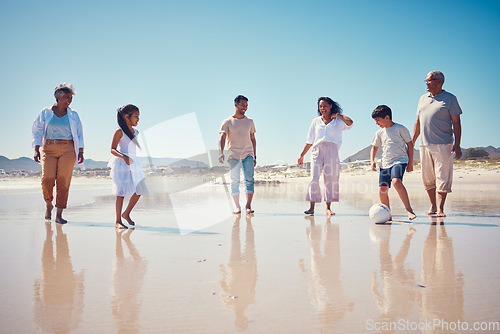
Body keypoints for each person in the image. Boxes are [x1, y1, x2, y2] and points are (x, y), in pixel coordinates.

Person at [32, 83, 84, 224]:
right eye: (67, 97)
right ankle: (49, 204)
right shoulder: (46, 112)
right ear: (58, 97)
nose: (69, 100)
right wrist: (36, 148)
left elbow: (79, 134)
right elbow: (37, 130)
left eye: (71, 98)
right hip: (49, 148)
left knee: (63, 181)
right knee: (46, 180)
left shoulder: (73, 115)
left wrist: (81, 151)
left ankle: (59, 214)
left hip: (68, 149)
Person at [412, 71, 462, 217]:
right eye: (426, 81)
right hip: (424, 144)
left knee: (442, 176)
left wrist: (457, 144)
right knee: (427, 177)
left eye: (430, 80)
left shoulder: (450, 99)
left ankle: (440, 208)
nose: (427, 83)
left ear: (439, 81)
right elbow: (418, 122)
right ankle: (432, 206)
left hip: (444, 144)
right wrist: (412, 141)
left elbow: (457, 123)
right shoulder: (422, 98)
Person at [298, 97, 353, 216]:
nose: (322, 108)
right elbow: (309, 140)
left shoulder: (338, 121)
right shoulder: (316, 121)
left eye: (325, 106)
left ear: (330, 106)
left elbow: (350, 122)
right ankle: (311, 207)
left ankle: (328, 208)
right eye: (320, 106)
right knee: (314, 178)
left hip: (332, 150)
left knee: (330, 179)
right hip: (317, 151)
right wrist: (302, 155)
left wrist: (338, 116)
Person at [370, 105, 416, 221]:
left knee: (396, 182)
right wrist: (372, 161)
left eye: (378, 120)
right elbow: (374, 148)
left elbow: (410, 145)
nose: (376, 123)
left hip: (400, 160)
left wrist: (410, 163)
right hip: (385, 163)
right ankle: (388, 214)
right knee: (382, 190)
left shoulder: (400, 128)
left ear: (387, 117)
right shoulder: (379, 133)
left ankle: (409, 210)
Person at [109, 104, 147, 229]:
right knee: (121, 192)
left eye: (138, 117)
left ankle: (126, 213)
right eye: (136, 116)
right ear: (126, 116)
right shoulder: (119, 132)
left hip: (134, 162)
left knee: (140, 189)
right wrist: (123, 156)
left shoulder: (136, 132)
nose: (138, 119)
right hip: (122, 163)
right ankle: (118, 220)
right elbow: (112, 149)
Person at [219, 95, 257, 214]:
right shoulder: (227, 121)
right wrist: (221, 152)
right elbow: (222, 137)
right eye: (242, 105)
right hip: (233, 154)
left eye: (246, 106)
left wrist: (254, 156)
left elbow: (253, 139)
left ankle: (248, 206)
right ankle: (237, 207)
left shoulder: (250, 121)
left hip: (248, 154)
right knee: (235, 180)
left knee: (249, 179)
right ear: (236, 105)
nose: (244, 108)